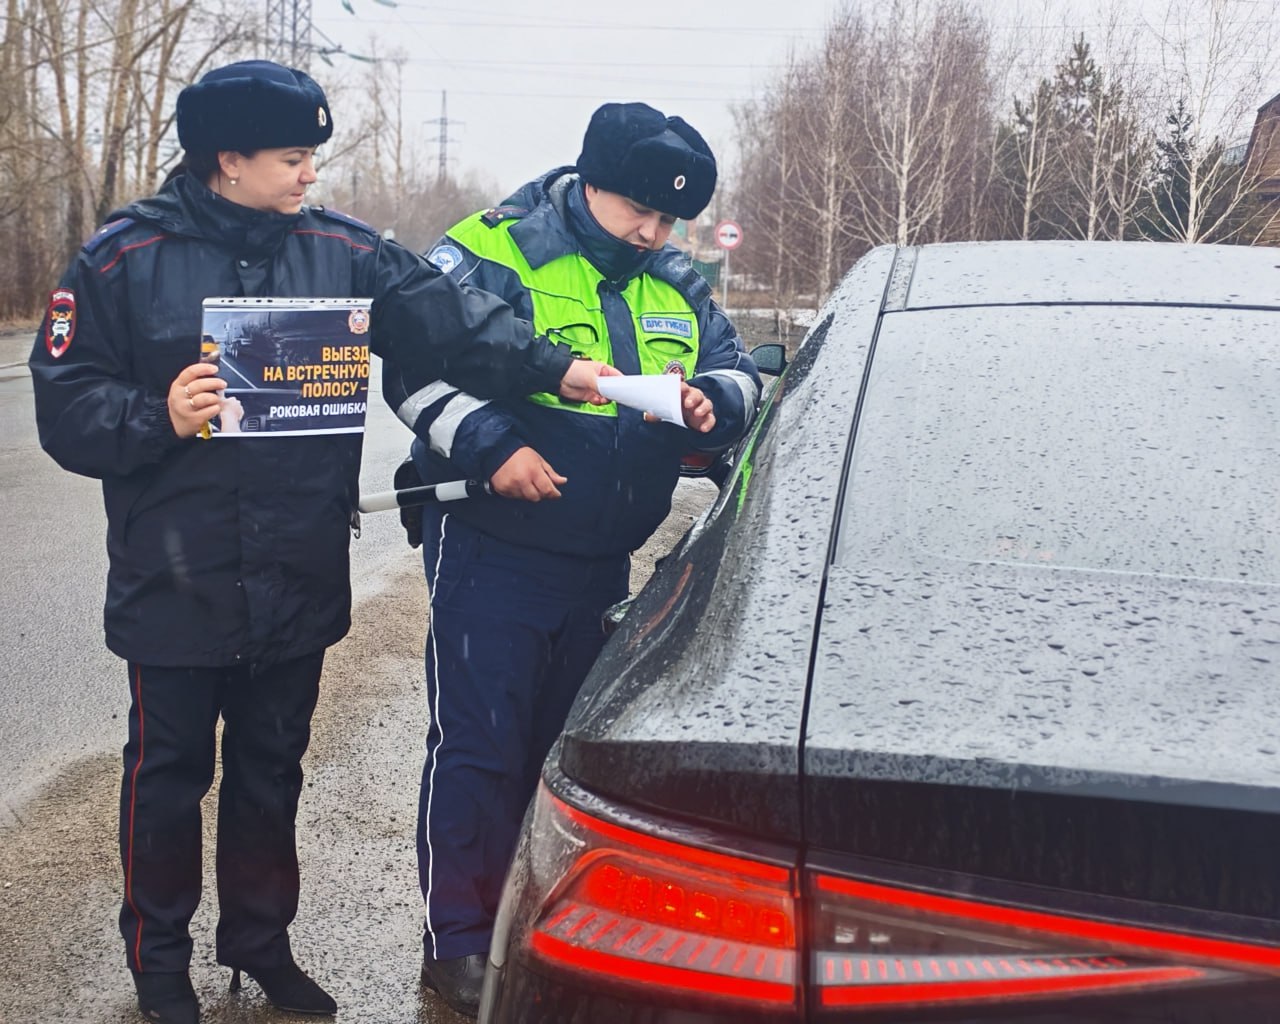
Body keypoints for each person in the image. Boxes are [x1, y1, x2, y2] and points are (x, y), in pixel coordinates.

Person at [28, 60, 615, 1024]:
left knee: (271, 771)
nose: (310, 174)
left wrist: (564, 370)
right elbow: (65, 408)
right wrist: (156, 414)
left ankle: (261, 945)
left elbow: (455, 324)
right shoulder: (122, 259)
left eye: (313, 157)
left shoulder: (343, 251)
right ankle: (158, 963)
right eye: (293, 158)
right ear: (228, 160)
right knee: (167, 778)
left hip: (297, 571)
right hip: (175, 575)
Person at [408, 101, 762, 1016]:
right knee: (482, 750)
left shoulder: (675, 279)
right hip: (492, 547)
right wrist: (490, 446)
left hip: (605, 561)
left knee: (559, 761)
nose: (653, 234)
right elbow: (413, 367)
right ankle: (457, 942)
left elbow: (738, 370)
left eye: (669, 219)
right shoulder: (495, 250)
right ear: (591, 182)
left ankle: (531, 929)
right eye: (640, 211)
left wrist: (712, 401)